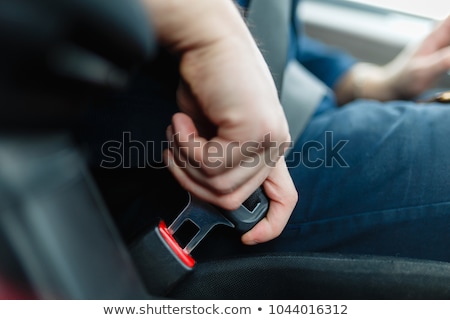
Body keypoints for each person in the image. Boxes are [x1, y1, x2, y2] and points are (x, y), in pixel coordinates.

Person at [87, 0, 450, 263]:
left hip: (285, 127)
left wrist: (366, 83)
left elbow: (267, 20)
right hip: (165, 176)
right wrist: (209, 34)